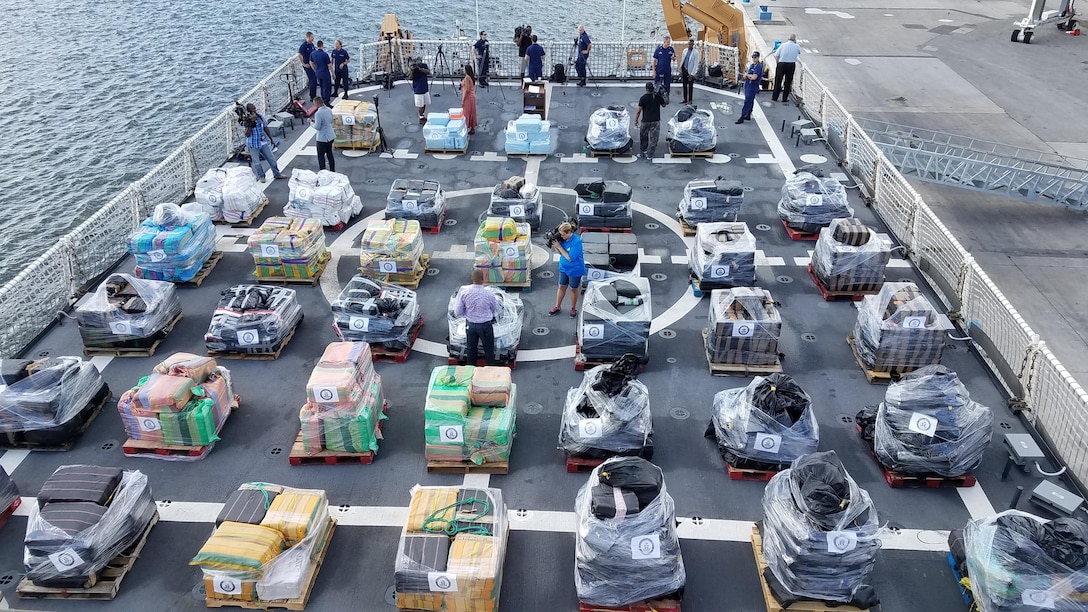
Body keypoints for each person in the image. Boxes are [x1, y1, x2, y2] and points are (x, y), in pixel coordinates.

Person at [455, 269, 500, 365]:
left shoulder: (465, 293)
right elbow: (494, 308)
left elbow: (458, 311)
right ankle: (489, 371)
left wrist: (467, 314)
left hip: (470, 325)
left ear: (472, 279)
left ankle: (471, 371)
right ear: (483, 279)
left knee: (471, 350)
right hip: (485, 326)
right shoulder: (489, 294)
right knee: (489, 350)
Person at [550, 222, 586, 317]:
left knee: (573, 289)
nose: (562, 236)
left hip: (574, 269)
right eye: (560, 234)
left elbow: (570, 258)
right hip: (563, 268)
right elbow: (559, 252)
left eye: (563, 234)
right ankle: (557, 306)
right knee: (561, 286)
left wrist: (559, 247)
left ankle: (573, 308)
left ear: (569, 232)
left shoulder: (576, 242)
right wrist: (555, 245)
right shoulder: (562, 239)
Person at [244, 103, 286, 182]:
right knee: (257, 162)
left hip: (263, 142)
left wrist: (271, 139)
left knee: (271, 158)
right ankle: (261, 176)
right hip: (253, 144)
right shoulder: (247, 120)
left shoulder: (260, 117)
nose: (254, 110)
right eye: (252, 109)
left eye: (255, 108)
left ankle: (277, 174)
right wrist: (250, 124)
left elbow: (266, 128)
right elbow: (247, 134)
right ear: (249, 110)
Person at [634, 82, 666, 159]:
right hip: (655, 120)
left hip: (645, 120)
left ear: (646, 89)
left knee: (643, 136)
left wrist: (636, 120)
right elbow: (664, 104)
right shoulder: (657, 97)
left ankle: (643, 152)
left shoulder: (643, 98)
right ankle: (650, 154)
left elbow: (639, 111)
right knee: (654, 138)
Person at [770, 34, 802, 103]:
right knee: (788, 82)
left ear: (788, 39)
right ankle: (784, 98)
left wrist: (778, 63)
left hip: (781, 64)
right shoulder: (797, 46)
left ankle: (775, 97)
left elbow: (776, 55)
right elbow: (799, 52)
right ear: (795, 40)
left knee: (778, 81)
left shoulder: (783, 45)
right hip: (791, 65)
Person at [735, 51, 763, 124]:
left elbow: (754, 77)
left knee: (747, 101)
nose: (754, 59)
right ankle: (748, 114)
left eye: (755, 57)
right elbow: (749, 74)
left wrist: (747, 75)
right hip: (748, 85)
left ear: (758, 58)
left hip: (753, 86)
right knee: (750, 100)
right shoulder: (752, 65)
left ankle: (742, 116)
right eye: (753, 57)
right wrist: (746, 76)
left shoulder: (758, 67)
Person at [312, 96, 335, 171]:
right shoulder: (328, 109)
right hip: (330, 136)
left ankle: (323, 173)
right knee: (330, 154)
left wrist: (311, 123)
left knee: (321, 157)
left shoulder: (318, 113)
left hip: (322, 138)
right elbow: (330, 120)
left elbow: (317, 127)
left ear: (317, 104)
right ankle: (332, 171)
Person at [310, 40, 333, 104]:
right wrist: (333, 73)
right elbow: (329, 65)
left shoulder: (313, 53)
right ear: (322, 45)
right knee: (327, 87)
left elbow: (311, 62)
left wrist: (314, 69)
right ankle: (326, 101)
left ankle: (323, 98)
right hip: (325, 73)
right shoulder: (325, 54)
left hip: (318, 72)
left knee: (321, 86)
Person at [410, 60, 431, 124]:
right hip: (418, 90)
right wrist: (412, 71)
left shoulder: (424, 66)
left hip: (424, 88)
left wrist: (420, 69)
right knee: (420, 105)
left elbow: (428, 72)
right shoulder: (413, 69)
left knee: (424, 103)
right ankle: (421, 118)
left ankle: (423, 116)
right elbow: (410, 78)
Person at [298, 32, 316, 101]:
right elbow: (299, 54)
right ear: (308, 37)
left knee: (314, 79)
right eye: (312, 37)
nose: (313, 38)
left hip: (312, 64)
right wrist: (303, 64)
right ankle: (312, 96)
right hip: (308, 65)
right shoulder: (304, 46)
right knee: (312, 80)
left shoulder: (311, 45)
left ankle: (313, 94)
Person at [679, 39, 698, 105]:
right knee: (684, 85)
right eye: (688, 44)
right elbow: (682, 60)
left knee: (690, 86)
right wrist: (681, 69)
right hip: (684, 69)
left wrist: (692, 74)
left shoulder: (696, 53)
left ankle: (690, 100)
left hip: (690, 71)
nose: (689, 45)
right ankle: (685, 99)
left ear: (693, 45)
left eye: (690, 44)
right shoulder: (684, 51)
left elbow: (696, 64)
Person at [461, 64, 478, 135]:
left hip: (468, 98)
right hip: (472, 97)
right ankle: (472, 127)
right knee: (472, 112)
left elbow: (467, 90)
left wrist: (463, 100)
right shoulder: (470, 77)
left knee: (466, 113)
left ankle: (466, 126)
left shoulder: (467, 78)